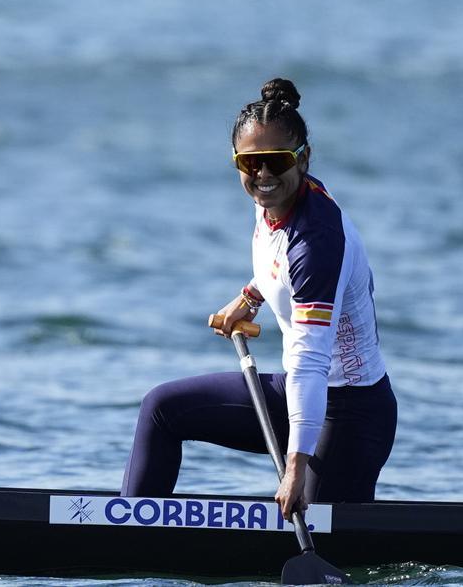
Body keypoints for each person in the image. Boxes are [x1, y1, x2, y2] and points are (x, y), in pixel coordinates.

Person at [120, 78, 396, 518]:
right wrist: (251, 296)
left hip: (349, 414)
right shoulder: (275, 197)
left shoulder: (317, 243)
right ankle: (127, 528)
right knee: (162, 409)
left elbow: (310, 361)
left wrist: (295, 467)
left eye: (276, 161)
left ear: (303, 160)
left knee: (321, 528)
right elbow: (276, 258)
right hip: (301, 396)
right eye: (251, 163)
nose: (263, 175)